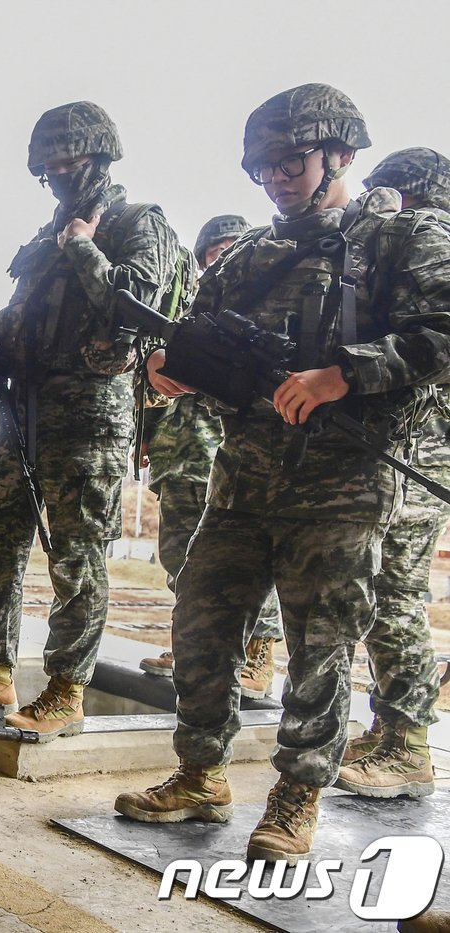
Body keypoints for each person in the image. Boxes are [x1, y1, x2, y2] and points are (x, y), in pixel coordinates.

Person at [114, 84, 450, 861]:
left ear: (341, 154)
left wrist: (344, 373)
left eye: (290, 161)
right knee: (200, 623)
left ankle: (296, 796)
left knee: (320, 648)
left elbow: (442, 332)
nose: (275, 179)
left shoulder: (403, 238)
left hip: (340, 487)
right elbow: (197, 339)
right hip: (241, 480)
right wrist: (174, 368)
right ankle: (199, 774)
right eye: (261, 168)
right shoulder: (248, 257)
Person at [0, 104, 181, 739]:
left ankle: (66, 691)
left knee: (76, 555)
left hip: (91, 413)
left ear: (101, 158)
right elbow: (19, 317)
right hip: (26, 409)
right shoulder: (46, 236)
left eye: (72, 163)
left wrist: (85, 249)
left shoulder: (135, 222)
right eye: (51, 168)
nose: (62, 175)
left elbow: (139, 302)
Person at [335, 147, 450, 800]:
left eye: (386, 193)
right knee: (383, 591)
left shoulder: (431, 244)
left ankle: (407, 745)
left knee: (393, 591)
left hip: (421, 453)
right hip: (412, 448)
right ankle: (390, 729)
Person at [138, 215, 284, 698]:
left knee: (242, 567)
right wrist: (145, 433)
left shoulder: (253, 322)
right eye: (213, 254)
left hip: (227, 460)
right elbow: (160, 386)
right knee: (181, 560)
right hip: (177, 458)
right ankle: (191, 647)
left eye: (229, 251)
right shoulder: (194, 316)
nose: (219, 261)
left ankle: (258, 655)